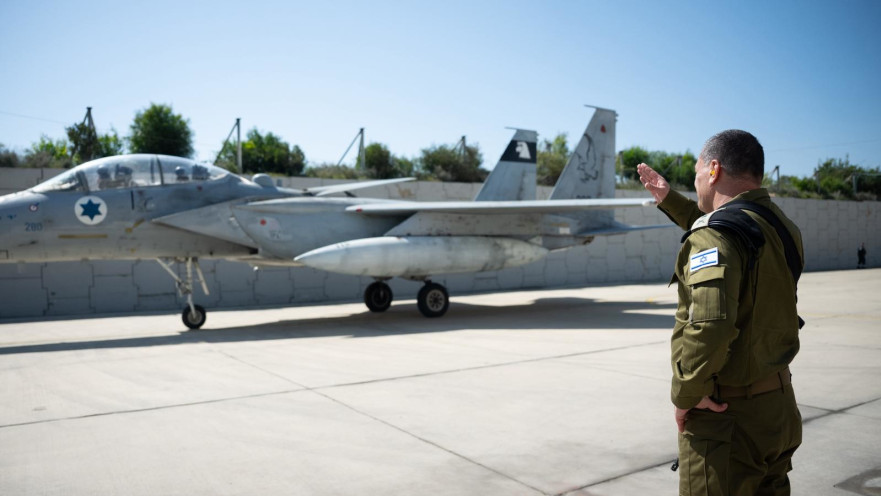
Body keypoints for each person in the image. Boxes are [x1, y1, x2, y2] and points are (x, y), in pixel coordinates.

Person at [637, 130, 804, 495]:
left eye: (698, 173)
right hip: (779, 410)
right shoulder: (781, 227)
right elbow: (730, 229)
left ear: (713, 170)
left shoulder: (716, 235)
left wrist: (687, 395)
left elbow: (709, 326)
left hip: (728, 418)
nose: (697, 182)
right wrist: (669, 199)